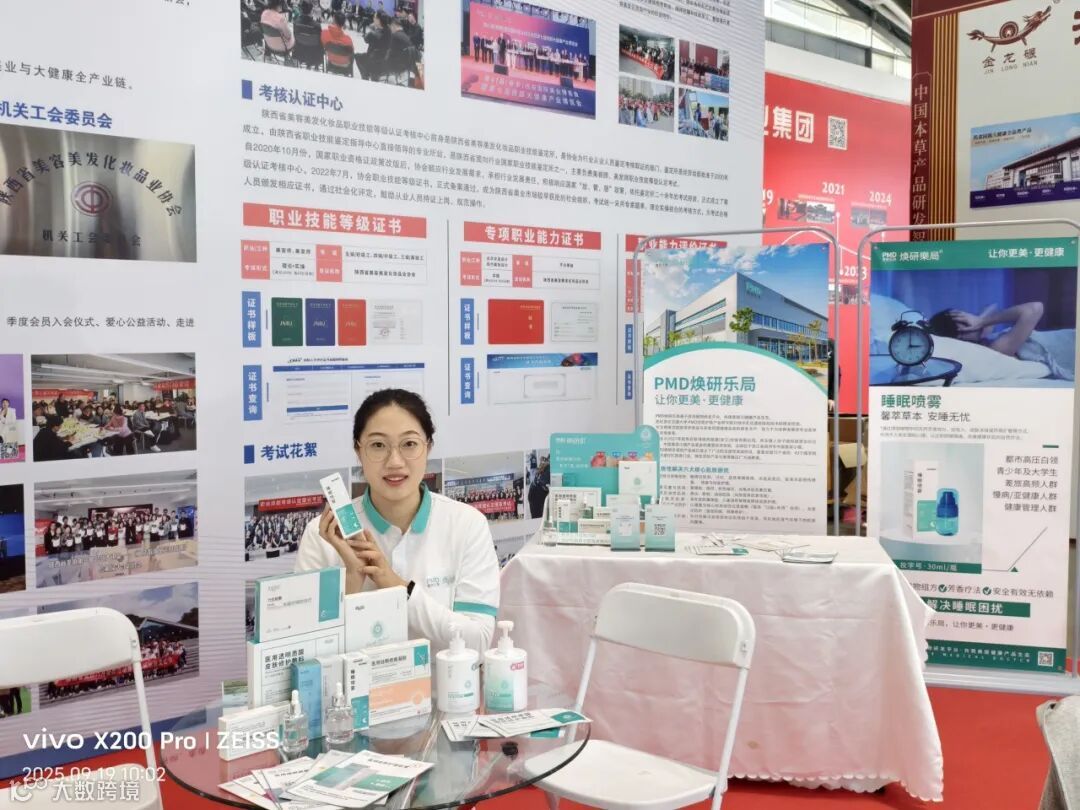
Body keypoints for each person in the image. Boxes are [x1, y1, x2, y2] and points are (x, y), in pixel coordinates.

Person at [295, 389, 500, 654]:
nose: (394, 461)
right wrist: (352, 581)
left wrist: (396, 585)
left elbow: (478, 641)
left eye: (409, 444)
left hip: (444, 682)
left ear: (428, 447)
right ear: (358, 450)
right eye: (378, 445)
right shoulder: (323, 534)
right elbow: (305, 651)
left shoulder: (467, 525)